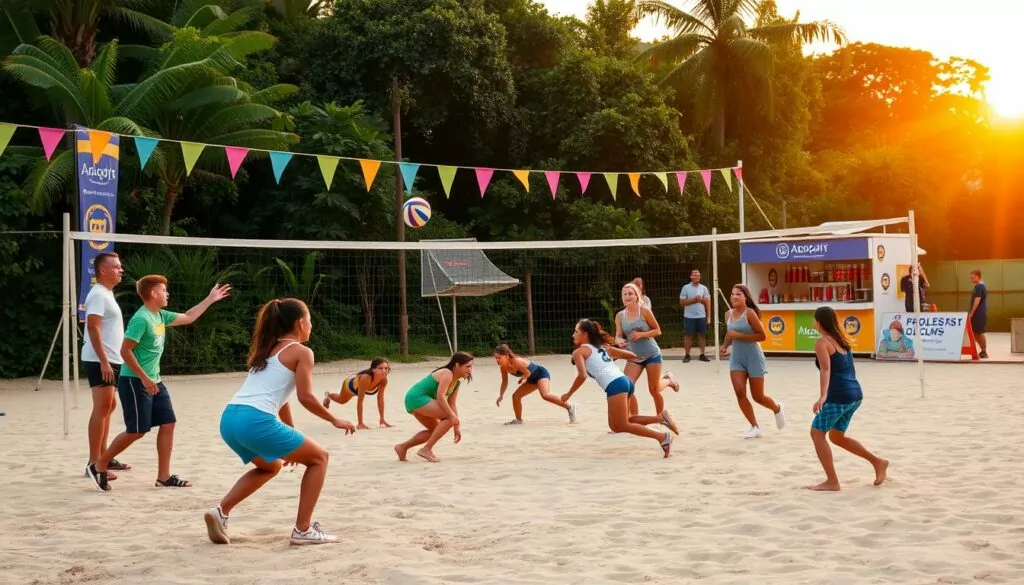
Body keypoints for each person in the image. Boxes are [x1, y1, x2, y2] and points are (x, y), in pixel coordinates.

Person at [203, 298, 354, 545]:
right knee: (320, 459)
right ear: (300, 323)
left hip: (230, 419)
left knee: (270, 466)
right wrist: (334, 419)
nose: (311, 326)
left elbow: (281, 399)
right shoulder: (302, 352)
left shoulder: (267, 349)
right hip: (254, 420)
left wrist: (292, 435)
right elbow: (305, 397)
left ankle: (219, 512)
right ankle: (303, 530)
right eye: (310, 320)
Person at [87, 276, 231, 491]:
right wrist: (144, 377)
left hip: (155, 381)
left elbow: (190, 317)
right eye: (164, 290)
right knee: (137, 431)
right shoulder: (141, 319)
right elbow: (125, 351)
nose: (167, 293)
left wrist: (210, 298)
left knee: (168, 423)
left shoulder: (161, 315)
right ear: (153, 294)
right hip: (135, 381)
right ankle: (99, 464)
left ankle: (163, 476)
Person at [561, 319, 677, 457]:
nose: (573, 335)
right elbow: (632, 356)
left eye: (576, 331)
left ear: (585, 334)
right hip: (624, 381)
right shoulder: (602, 347)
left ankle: (662, 437)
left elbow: (582, 376)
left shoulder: (579, 352)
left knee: (623, 425)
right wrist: (610, 358)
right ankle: (660, 418)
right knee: (618, 425)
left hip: (615, 384)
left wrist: (569, 394)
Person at [807, 306, 888, 491]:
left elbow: (826, 370)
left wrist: (822, 396)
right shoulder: (842, 340)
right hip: (855, 395)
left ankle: (832, 481)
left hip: (839, 396)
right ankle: (878, 462)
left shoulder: (822, 342)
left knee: (816, 433)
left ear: (819, 322)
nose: (813, 322)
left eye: (814, 319)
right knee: (836, 436)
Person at [81, 252, 131, 480]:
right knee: (101, 408)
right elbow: (92, 327)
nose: (121, 270)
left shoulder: (106, 293)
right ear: (104, 270)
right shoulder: (98, 294)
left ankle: (104, 457)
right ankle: (94, 462)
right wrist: (103, 360)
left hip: (111, 358)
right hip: (100, 359)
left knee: (109, 407)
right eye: (117, 267)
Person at [721, 284, 785, 439]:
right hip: (737, 358)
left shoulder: (750, 313)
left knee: (758, 397)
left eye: (738, 294)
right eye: (732, 294)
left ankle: (777, 408)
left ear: (745, 297)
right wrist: (724, 346)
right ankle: (754, 426)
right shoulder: (727, 314)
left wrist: (739, 336)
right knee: (739, 391)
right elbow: (730, 334)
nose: (734, 297)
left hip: (753, 357)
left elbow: (762, 336)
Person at [614, 283, 679, 418]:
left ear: (637, 296)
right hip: (634, 357)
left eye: (630, 293)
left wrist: (641, 335)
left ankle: (667, 384)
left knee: (654, 390)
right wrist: (619, 340)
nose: (627, 296)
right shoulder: (620, 316)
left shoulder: (644, 311)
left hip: (652, 354)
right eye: (625, 294)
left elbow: (658, 330)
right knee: (626, 387)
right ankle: (632, 417)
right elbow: (618, 335)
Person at [395, 352, 474, 463]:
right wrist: (452, 417)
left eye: (471, 366)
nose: (470, 370)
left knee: (434, 431)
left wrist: (457, 426)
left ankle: (402, 447)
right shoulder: (447, 373)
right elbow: (440, 396)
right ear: (457, 365)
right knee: (449, 417)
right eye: (467, 366)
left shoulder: (456, 383)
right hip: (417, 397)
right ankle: (426, 449)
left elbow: (452, 403)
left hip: (415, 400)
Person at [494, 343, 576, 425]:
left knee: (545, 395)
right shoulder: (503, 367)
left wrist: (523, 378)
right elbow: (504, 381)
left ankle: (570, 407)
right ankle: (518, 420)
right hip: (531, 379)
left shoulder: (516, 361)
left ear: (507, 356)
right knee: (516, 396)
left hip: (541, 374)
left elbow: (528, 373)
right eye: (496, 358)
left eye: (499, 358)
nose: (497, 360)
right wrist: (501, 395)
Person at [322, 358, 393, 429]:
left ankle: (382, 420)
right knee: (341, 400)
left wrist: (382, 420)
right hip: (350, 386)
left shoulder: (384, 380)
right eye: (380, 368)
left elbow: (380, 399)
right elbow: (360, 401)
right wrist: (360, 423)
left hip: (359, 387)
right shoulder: (366, 378)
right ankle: (328, 395)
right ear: (373, 369)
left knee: (342, 400)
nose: (384, 371)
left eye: (386, 368)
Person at [679, 269, 711, 362]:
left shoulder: (703, 288)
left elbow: (708, 302)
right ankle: (687, 355)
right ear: (691, 277)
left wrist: (709, 316)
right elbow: (682, 302)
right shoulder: (686, 288)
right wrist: (693, 300)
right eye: (695, 275)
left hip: (701, 316)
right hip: (689, 316)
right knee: (688, 336)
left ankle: (702, 355)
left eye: (698, 275)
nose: (697, 277)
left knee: (702, 335)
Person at [969, 270, 988, 358]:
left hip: (979, 313)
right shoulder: (977, 286)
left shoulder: (980, 287)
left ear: (977, 276)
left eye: (972, 277)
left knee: (980, 332)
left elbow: (977, 300)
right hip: (977, 313)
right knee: (974, 331)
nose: (971, 279)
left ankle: (984, 351)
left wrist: (972, 312)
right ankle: (981, 350)